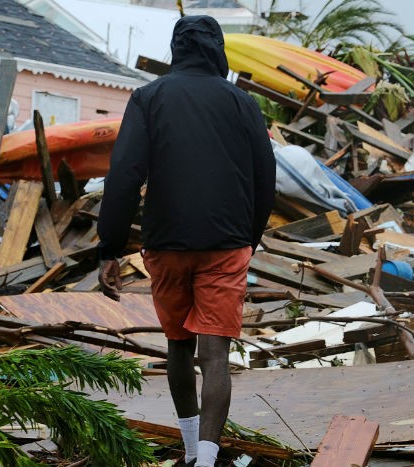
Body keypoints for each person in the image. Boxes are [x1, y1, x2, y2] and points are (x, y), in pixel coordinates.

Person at [96, 15, 276, 467]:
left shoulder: (148, 98)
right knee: (215, 355)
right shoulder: (242, 103)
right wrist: (247, 238)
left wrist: (110, 248)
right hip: (226, 244)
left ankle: (192, 450)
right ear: (218, 50)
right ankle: (208, 459)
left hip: (167, 244)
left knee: (178, 345)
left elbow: (122, 178)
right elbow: (265, 179)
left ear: (177, 49)